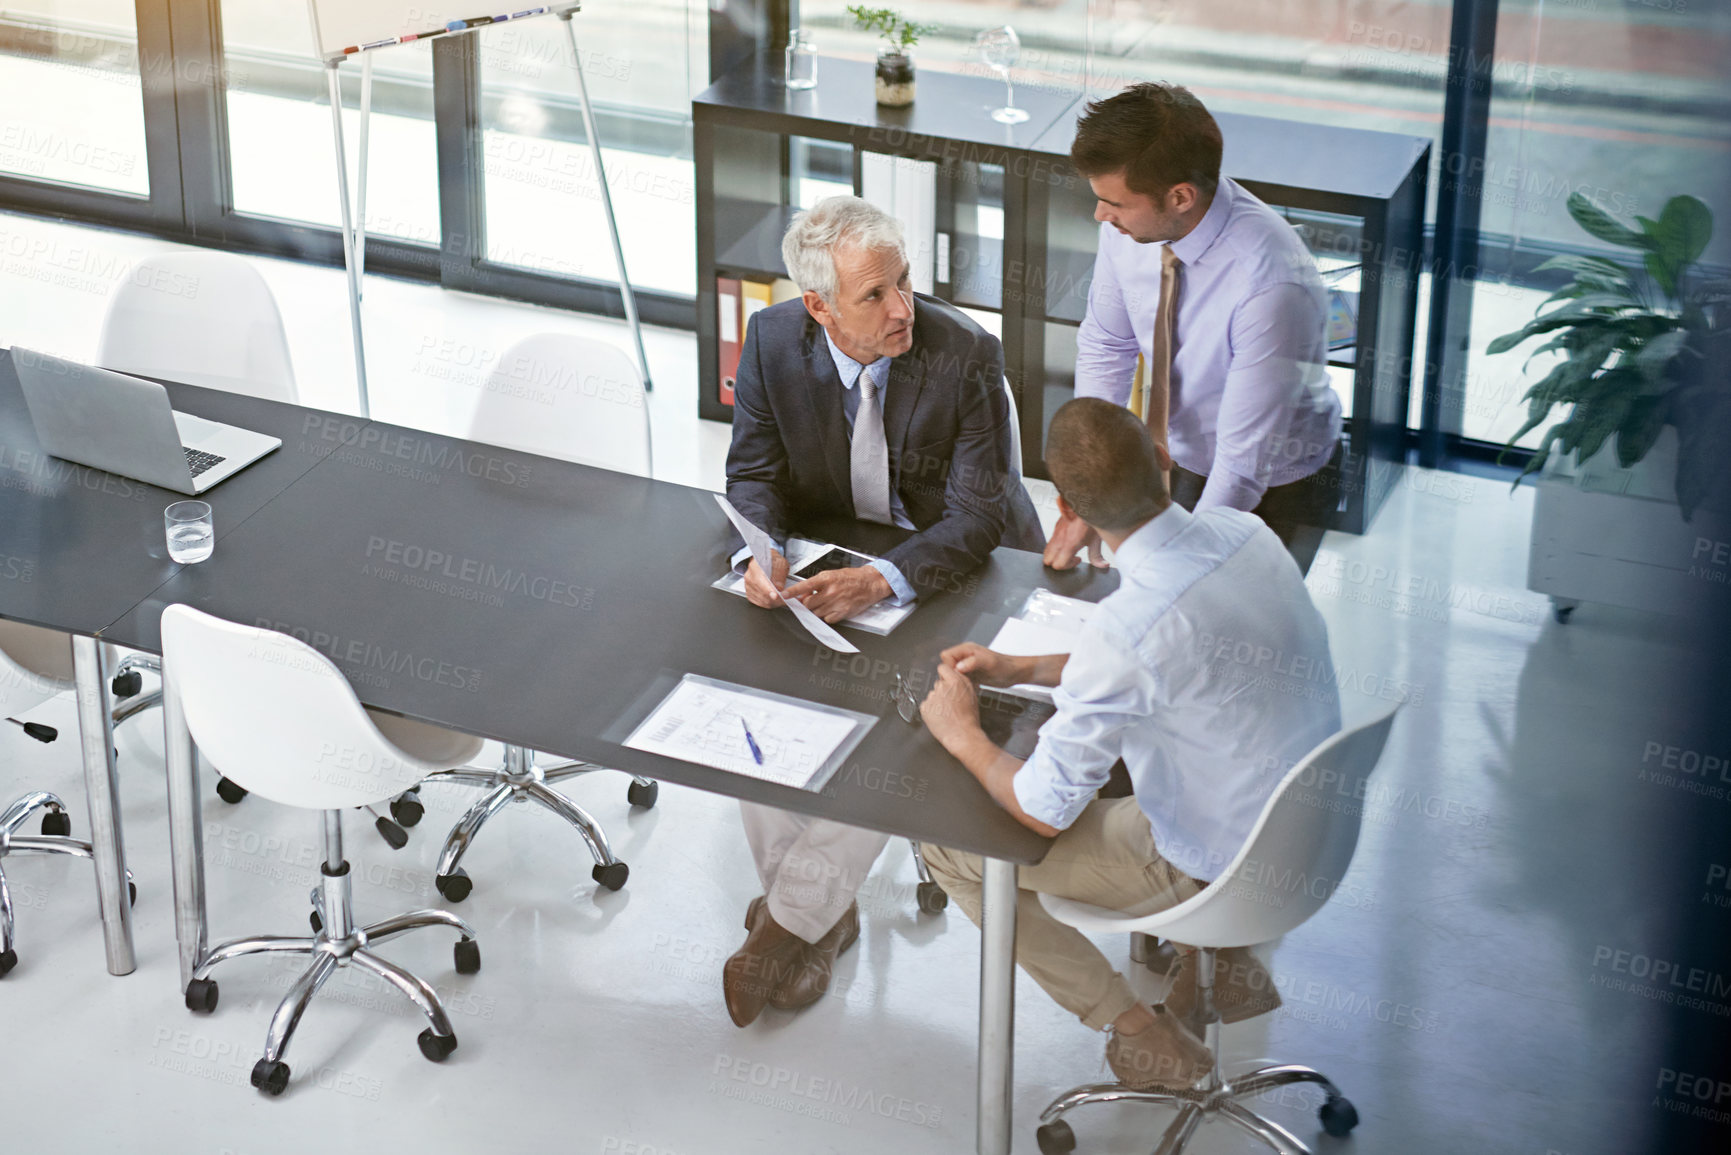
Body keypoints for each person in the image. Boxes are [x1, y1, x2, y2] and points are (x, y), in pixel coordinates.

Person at [918, 397, 1341, 1090]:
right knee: (1128, 767)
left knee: (951, 849)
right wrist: (1023, 668)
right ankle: (1224, 966)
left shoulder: (1130, 628)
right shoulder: (1245, 531)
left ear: (1067, 507)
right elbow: (1169, 641)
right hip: (1313, 829)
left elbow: (1040, 809)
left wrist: (961, 733)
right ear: (1164, 460)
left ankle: (1140, 1033)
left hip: (1225, 872)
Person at [721, 195, 1044, 1028]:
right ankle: (817, 915)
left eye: (903, 283)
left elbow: (978, 515)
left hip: (962, 573)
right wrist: (760, 549)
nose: (901, 308)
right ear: (819, 306)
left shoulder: (964, 353)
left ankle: (787, 928)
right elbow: (753, 470)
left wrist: (884, 579)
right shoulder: (770, 340)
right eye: (874, 295)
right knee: (764, 702)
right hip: (836, 560)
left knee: (896, 725)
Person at [1046, 82, 1342, 577]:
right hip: (1183, 454)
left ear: (1180, 196)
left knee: (1237, 637)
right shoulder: (1127, 228)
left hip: (1276, 482)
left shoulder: (1271, 285)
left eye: (1114, 202)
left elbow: (1243, 465)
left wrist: (1179, 577)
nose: (1101, 214)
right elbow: (1106, 345)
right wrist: (1092, 500)